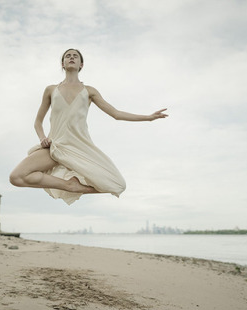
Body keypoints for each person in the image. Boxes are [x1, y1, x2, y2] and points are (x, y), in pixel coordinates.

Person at [9, 48, 168, 205]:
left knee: (119, 184)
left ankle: (78, 186)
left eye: (75, 56)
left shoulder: (89, 91)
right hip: (55, 146)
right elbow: (37, 122)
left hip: (79, 148)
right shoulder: (51, 90)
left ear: (81, 65)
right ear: (62, 64)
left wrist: (148, 118)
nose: (71, 58)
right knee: (16, 177)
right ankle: (69, 185)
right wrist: (42, 138)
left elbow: (116, 114)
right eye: (68, 56)